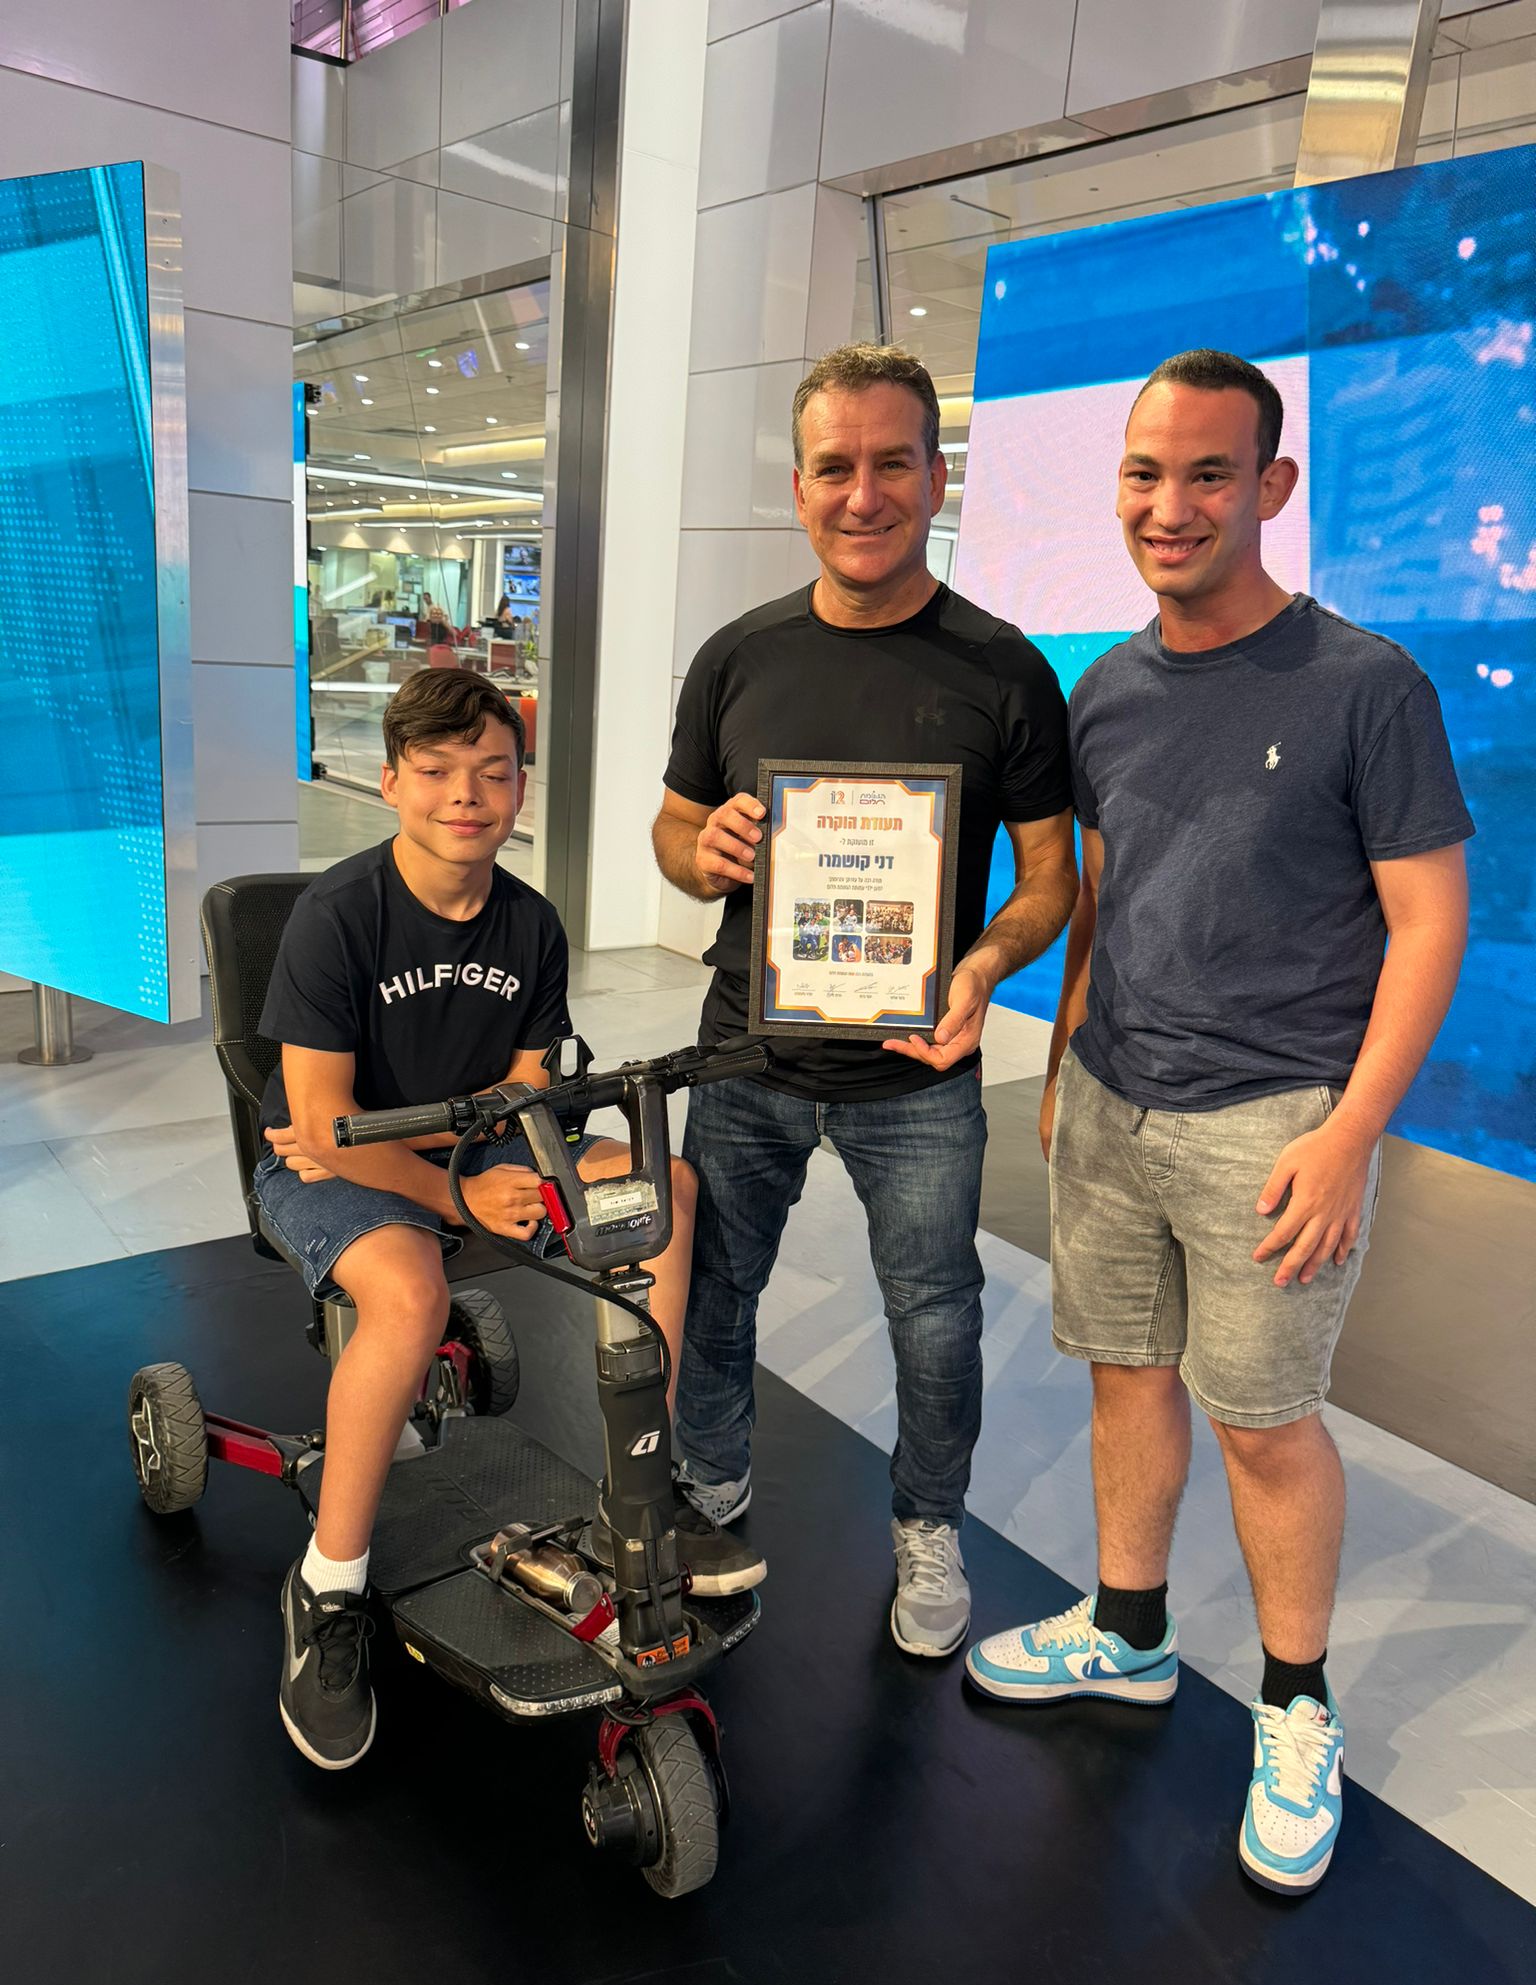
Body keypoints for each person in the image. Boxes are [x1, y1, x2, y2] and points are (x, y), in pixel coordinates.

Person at [965, 350, 1473, 1895]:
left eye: (1207, 474)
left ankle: (1296, 1707)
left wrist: (1352, 1131)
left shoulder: (1365, 685)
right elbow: (1106, 895)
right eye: (1145, 473)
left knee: (1264, 1424)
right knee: (1126, 1378)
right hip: (1116, 1106)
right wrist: (1066, 1052)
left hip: (1276, 1127)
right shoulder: (1107, 690)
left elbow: (1429, 922)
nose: (1170, 506)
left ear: (1272, 487)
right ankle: (1127, 1632)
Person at [653, 343, 1077, 1658]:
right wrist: (704, 851)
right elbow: (671, 830)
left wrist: (983, 965)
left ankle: (928, 1527)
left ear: (937, 477)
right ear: (799, 486)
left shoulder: (1004, 669)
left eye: (893, 462)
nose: (863, 493)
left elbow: (1051, 880)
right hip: (746, 1053)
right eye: (835, 466)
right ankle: (709, 1489)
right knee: (713, 1294)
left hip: (919, 1070)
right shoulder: (737, 657)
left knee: (937, 1323)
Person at [255, 666, 755, 1771]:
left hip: (478, 1147)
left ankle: (643, 1501)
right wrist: (458, 1191)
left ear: (522, 786)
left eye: (492, 772)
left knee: (662, 1189)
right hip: (336, 1169)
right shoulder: (337, 915)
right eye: (437, 771)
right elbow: (323, 1120)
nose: (465, 796)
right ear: (392, 781)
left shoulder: (530, 922)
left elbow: (530, 1083)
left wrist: (494, 1155)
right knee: (410, 1291)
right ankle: (328, 1586)